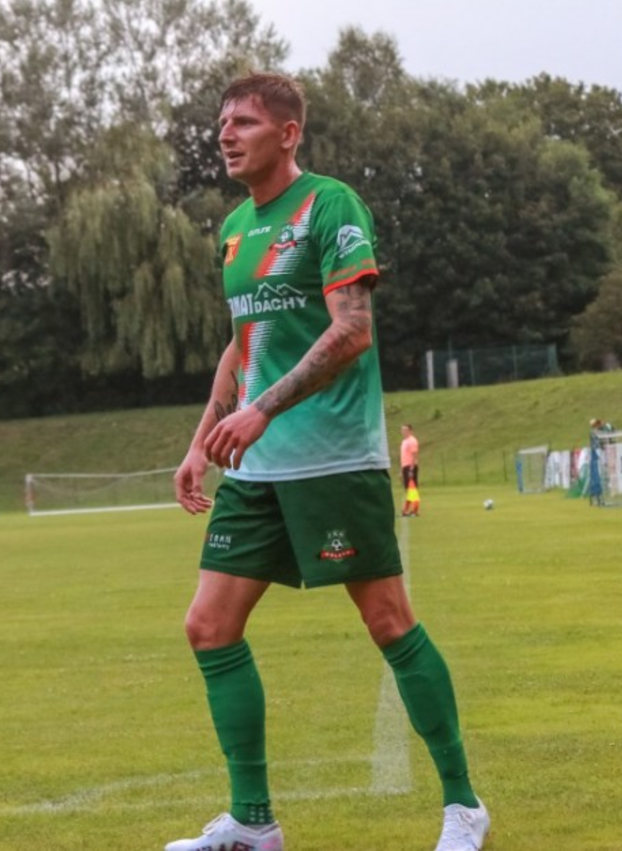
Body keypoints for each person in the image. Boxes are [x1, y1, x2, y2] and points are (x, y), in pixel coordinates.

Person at [169, 72, 488, 851]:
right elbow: (241, 342)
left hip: (333, 460)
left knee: (388, 621)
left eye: (245, 122)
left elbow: (352, 330)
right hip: (255, 467)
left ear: (288, 134)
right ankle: (253, 823)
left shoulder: (330, 205)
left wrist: (262, 410)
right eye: (222, 123)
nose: (226, 134)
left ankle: (463, 807)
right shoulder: (235, 228)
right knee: (209, 626)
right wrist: (202, 439)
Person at [400, 423, 422, 517]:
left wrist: (411, 469)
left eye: (405, 430)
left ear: (410, 431)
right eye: (402, 430)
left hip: (410, 466)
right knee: (408, 490)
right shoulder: (404, 441)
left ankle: (415, 510)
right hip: (405, 466)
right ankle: (406, 510)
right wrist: (401, 471)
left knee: (412, 489)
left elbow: (414, 455)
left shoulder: (412, 441)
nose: (403, 432)